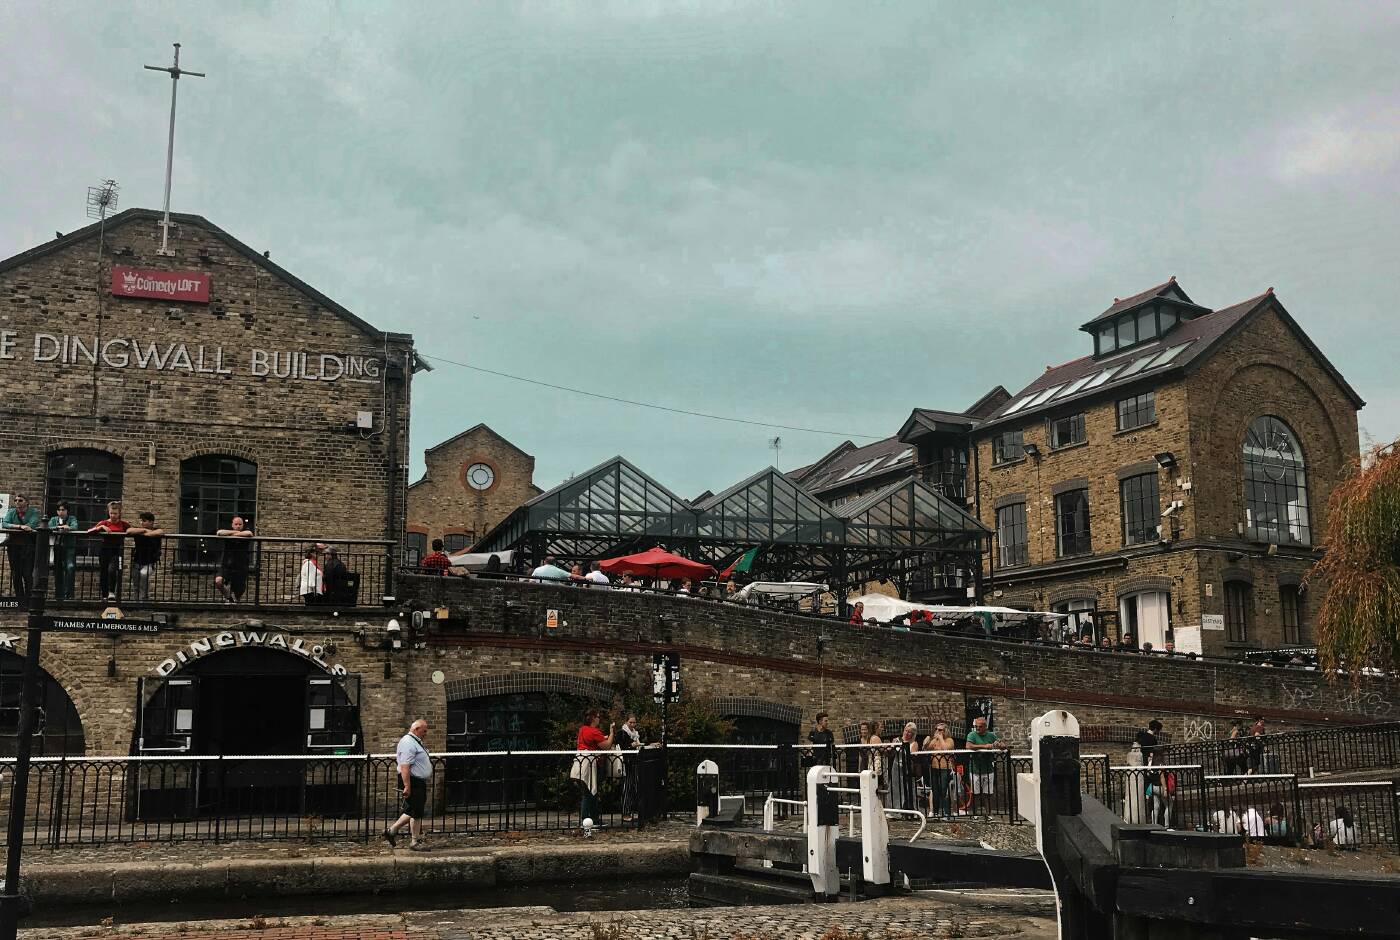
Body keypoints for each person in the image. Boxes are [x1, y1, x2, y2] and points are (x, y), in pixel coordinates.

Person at [384, 718, 432, 851]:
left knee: (413, 810)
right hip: (412, 780)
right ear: (416, 729)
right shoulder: (408, 742)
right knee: (416, 811)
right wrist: (407, 786)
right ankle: (413, 841)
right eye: (424, 731)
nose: (425, 733)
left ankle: (393, 832)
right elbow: (405, 766)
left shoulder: (414, 741)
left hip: (416, 780)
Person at [573, 709, 615, 829]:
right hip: (590, 764)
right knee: (590, 792)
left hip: (580, 762)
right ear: (593, 718)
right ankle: (588, 820)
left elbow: (589, 742)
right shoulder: (594, 731)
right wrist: (611, 733)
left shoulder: (582, 729)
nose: (599, 719)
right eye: (597, 717)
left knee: (587, 792)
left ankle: (590, 819)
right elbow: (606, 746)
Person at [85, 501, 129, 601]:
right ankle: (104, 595)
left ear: (119, 513)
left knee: (112, 570)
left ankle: (111, 592)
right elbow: (89, 531)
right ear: (108, 512)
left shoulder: (123, 524)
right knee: (104, 572)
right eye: (111, 513)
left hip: (116, 549)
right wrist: (101, 527)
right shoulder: (104, 523)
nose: (113, 515)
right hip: (104, 549)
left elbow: (132, 530)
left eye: (115, 513)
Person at [2, 494, 41, 598]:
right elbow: (4, 523)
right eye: (15, 500)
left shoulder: (33, 512)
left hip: (28, 547)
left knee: (27, 574)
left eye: (20, 500)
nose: (17, 502)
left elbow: (32, 524)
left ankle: (28, 599)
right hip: (14, 547)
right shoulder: (12, 512)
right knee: (16, 574)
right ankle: (20, 599)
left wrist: (19, 527)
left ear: (27, 502)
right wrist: (20, 526)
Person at [964, 716, 1002, 818]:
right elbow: (968, 746)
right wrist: (984, 746)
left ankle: (988, 813)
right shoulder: (972, 734)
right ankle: (975, 813)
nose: (977, 728)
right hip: (975, 768)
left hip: (988, 768)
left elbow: (1001, 745)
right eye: (976, 726)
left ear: (985, 727)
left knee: (988, 793)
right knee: (975, 793)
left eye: (980, 727)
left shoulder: (991, 735)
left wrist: (999, 745)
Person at [214, 516, 255, 603]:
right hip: (226, 566)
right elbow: (219, 532)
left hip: (240, 567)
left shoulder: (245, 534)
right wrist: (235, 533)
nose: (238, 526)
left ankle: (234, 601)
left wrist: (232, 535)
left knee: (238, 593)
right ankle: (229, 598)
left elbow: (249, 533)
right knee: (218, 581)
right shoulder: (229, 533)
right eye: (236, 524)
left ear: (243, 525)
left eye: (240, 524)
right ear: (232, 525)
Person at [126, 511, 165, 602]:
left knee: (143, 575)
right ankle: (136, 602)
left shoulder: (156, 530)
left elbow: (161, 532)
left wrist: (147, 533)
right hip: (137, 561)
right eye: (141, 521)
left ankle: (143, 600)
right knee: (136, 584)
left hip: (149, 563)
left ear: (151, 522)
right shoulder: (139, 530)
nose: (141, 523)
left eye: (144, 521)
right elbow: (128, 531)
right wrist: (144, 530)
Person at [48, 501, 80, 600]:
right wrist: (59, 527)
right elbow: (48, 528)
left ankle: (69, 594)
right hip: (57, 547)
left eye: (63, 510)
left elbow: (75, 527)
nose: (61, 512)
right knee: (58, 571)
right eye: (59, 510)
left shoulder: (72, 518)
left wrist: (68, 528)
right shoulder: (54, 519)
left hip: (69, 547)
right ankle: (59, 595)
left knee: (70, 568)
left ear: (67, 511)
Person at [923, 723, 956, 817]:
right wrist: (927, 741)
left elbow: (946, 749)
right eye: (936, 729)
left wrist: (941, 738)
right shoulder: (935, 740)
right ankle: (936, 812)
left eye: (940, 730)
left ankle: (946, 813)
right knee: (935, 791)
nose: (938, 731)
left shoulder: (949, 740)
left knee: (944, 790)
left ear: (945, 731)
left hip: (945, 768)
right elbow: (926, 748)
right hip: (934, 767)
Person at [617, 712, 642, 823]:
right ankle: (625, 812)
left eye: (634, 722)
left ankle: (635, 810)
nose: (632, 724)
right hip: (626, 762)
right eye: (630, 722)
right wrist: (631, 745)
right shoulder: (622, 733)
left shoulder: (635, 733)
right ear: (626, 722)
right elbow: (622, 746)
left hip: (634, 762)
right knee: (627, 787)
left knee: (635, 786)